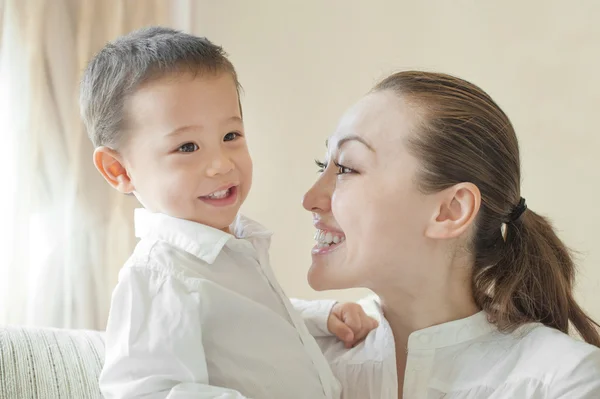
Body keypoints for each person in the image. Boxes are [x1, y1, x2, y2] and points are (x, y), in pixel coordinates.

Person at [80, 27, 377, 399]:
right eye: (187, 147)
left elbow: (245, 322)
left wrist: (320, 317)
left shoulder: (228, 248)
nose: (221, 164)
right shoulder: (159, 277)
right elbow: (144, 391)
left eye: (231, 136)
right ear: (118, 170)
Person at [303, 71, 600, 398]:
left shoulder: (564, 382)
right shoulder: (299, 356)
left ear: (451, 210)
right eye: (323, 164)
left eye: (346, 169)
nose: (310, 200)